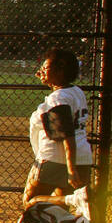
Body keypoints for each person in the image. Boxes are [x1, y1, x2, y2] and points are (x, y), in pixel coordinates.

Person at [23, 47, 93, 204]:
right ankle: (72, 203)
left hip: (55, 158)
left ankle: (75, 201)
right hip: (82, 157)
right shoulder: (76, 92)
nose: (42, 71)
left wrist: (71, 169)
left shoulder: (58, 98)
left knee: (31, 202)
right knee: (60, 208)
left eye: (46, 68)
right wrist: (48, 77)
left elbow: (66, 132)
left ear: (60, 69)